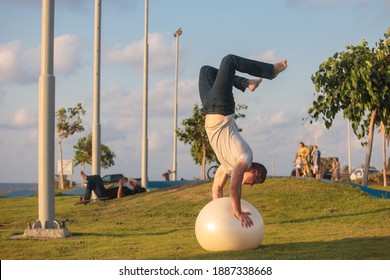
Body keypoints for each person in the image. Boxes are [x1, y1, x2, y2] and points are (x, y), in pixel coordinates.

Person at [199, 54, 287, 227]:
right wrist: (237, 211)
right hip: (222, 108)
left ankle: (247, 83)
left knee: (206, 71)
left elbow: (217, 189)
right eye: (255, 183)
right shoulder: (245, 158)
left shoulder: (227, 165)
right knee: (229, 60)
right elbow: (234, 187)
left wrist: (219, 215)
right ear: (254, 173)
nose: (251, 186)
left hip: (208, 109)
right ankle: (271, 71)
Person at [78, 171, 145, 203]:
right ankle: (86, 198)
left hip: (105, 195)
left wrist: (120, 186)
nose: (132, 183)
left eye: (134, 183)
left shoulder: (128, 191)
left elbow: (119, 196)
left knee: (97, 177)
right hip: (105, 192)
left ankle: (87, 177)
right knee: (91, 182)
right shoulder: (128, 188)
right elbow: (130, 180)